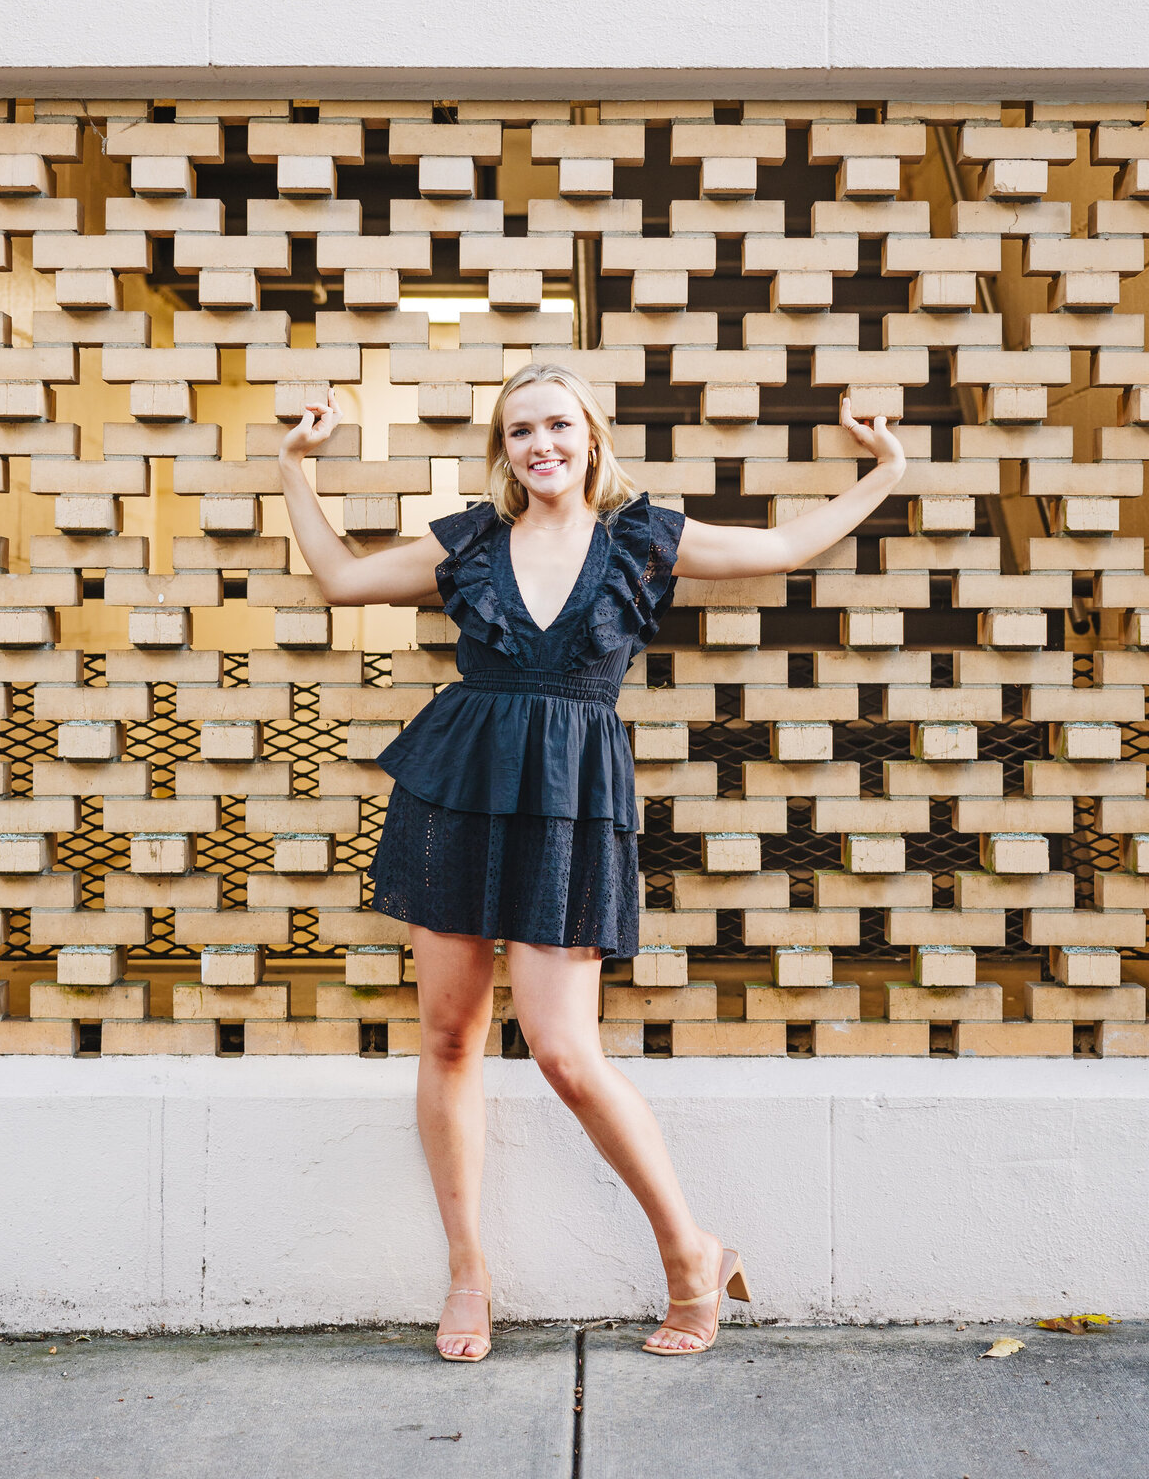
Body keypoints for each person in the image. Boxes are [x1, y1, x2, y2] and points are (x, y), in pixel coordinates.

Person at [278, 361, 906, 1360]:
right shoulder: (472, 542)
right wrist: (293, 467)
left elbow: (782, 547)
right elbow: (345, 579)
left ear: (591, 436)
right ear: (505, 449)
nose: (543, 445)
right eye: (522, 430)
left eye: (559, 425)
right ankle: (468, 1273)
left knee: (566, 1053)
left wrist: (887, 470)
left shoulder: (641, 538)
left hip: (571, 802)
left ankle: (693, 1254)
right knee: (448, 1038)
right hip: (458, 788)